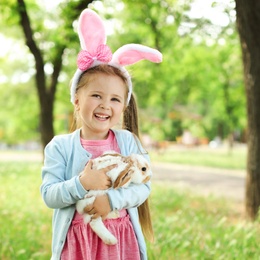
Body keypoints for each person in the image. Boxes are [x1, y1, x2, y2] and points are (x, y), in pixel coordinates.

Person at [41, 8, 162, 260]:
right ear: (76, 99)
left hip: (119, 243)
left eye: (115, 99)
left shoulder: (127, 142)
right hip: (77, 246)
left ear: (124, 106)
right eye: (96, 95)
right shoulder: (60, 147)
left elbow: (143, 187)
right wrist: (82, 183)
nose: (105, 105)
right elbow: (49, 195)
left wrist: (111, 200)